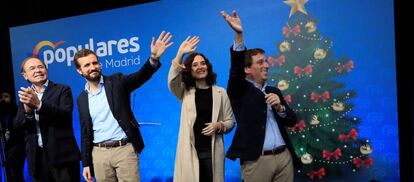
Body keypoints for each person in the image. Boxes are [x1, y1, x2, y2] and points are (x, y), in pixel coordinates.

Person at [75, 31, 173, 182]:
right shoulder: (81, 98)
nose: (92, 67)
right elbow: (85, 133)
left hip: (124, 150)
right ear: (79, 70)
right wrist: (86, 163)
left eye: (94, 63)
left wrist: (153, 58)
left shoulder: (116, 82)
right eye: (86, 65)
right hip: (99, 154)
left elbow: (140, 77)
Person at [221, 10, 299, 182]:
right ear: (247, 69)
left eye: (266, 61)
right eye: (260, 62)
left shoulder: (274, 91)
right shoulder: (238, 89)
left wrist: (281, 108)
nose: (266, 65)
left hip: (284, 157)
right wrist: (239, 35)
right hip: (257, 161)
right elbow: (235, 69)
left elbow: (292, 121)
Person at [168, 36, 235, 182]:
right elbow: (172, 80)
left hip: (212, 153)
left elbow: (230, 122)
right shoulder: (184, 92)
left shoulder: (221, 93)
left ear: (208, 67)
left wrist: (219, 125)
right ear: (189, 70)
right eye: (195, 65)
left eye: (203, 63)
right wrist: (180, 53)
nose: (200, 67)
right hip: (190, 153)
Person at [14, 57, 81, 182]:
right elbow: (17, 126)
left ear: (46, 69)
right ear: (25, 76)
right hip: (38, 159)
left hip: (62, 158)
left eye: (40, 67)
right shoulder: (25, 96)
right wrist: (27, 112)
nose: (38, 70)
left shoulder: (62, 90)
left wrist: (39, 105)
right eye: (32, 68)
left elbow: (65, 115)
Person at [0, 92, 26, 182]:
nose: (4, 99)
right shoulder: (3, 113)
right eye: (2, 97)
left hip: (18, 145)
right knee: (11, 173)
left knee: (16, 173)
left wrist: (9, 102)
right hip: (7, 147)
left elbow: (18, 116)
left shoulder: (14, 110)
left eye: (6, 96)